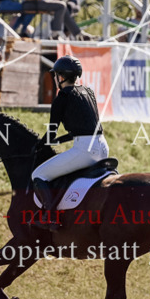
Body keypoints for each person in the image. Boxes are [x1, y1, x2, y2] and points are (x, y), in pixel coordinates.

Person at [30, 55, 110, 230]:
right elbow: (84, 128)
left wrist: (39, 145)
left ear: (61, 77)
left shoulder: (62, 97)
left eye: (56, 75)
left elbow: (52, 131)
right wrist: (59, 140)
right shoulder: (88, 92)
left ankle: (50, 216)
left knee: (38, 175)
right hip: (103, 147)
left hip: (85, 150)